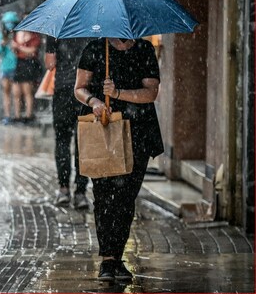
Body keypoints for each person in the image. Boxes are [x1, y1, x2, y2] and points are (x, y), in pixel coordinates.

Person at [74, 37, 163, 282]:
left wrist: (118, 93)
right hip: (103, 131)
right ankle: (107, 260)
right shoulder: (95, 48)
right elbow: (79, 88)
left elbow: (151, 92)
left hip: (138, 134)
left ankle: (118, 255)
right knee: (103, 195)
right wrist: (95, 101)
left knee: (125, 198)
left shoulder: (144, 49)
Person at [45, 36, 92, 209]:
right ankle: (80, 192)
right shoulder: (93, 27)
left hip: (63, 91)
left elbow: (50, 64)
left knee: (62, 140)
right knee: (83, 143)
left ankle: (64, 189)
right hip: (86, 93)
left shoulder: (57, 30)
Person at [11, 21, 42, 124]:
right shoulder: (18, 34)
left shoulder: (34, 36)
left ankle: (29, 115)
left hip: (29, 64)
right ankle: (17, 115)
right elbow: (15, 50)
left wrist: (19, 47)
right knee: (16, 91)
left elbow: (32, 51)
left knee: (27, 91)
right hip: (19, 63)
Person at [0, 11, 19, 124]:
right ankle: (7, 115)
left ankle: (17, 115)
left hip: (16, 66)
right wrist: (2, 44)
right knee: (6, 92)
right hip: (5, 67)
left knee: (16, 93)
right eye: (7, 23)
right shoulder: (0, 35)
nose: (10, 25)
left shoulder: (18, 35)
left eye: (12, 22)